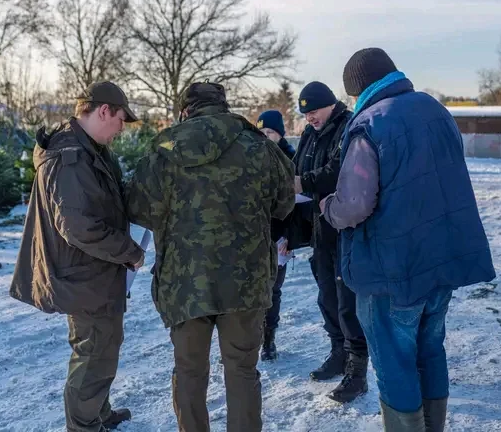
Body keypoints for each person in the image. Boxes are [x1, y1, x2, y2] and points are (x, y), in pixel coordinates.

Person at [321, 48, 496, 431]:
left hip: (392, 269)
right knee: (430, 349)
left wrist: (327, 207)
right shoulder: (435, 110)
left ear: (357, 89)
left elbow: (354, 205)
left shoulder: (370, 123)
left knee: (395, 360)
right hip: (442, 259)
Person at [126, 82, 295, 432]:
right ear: (223, 106)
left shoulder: (163, 152)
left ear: (185, 111)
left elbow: (140, 209)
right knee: (242, 370)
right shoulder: (260, 146)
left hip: (184, 281)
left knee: (188, 372)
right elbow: (285, 203)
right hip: (246, 280)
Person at [10, 81, 146, 432]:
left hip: (92, 275)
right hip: (85, 276)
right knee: (94, 354)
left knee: (100, 348)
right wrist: (130, 251)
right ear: (103, 111)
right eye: (120, 119)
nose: (120, 129)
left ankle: (98, 413)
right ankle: (84, 427)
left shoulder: (86, 150)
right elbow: (79, 227)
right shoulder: (71, 158)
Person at [291, 81, 369, 403]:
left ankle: (357, 371)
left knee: (347, 302)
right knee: (327, 296)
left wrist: (302, 181)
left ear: (330, 105)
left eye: (314, 111)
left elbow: (339, 171)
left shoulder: (347, 126)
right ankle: (338, 352)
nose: (310, 117)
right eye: (306, 113)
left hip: (345, 230)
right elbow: (298, 167)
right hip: (319, 229)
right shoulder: (311, 134)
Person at [256, 109, 296, 360]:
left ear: (279, 134)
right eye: (260, 132)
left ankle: (268, 339)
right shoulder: (250, 158)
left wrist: (291, 237)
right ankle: (247, 341)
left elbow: (296, 204)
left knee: (272, 291)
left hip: (279, 237)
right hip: (254, 238)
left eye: (269, 132)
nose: (265, 137)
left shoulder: (290, 159)